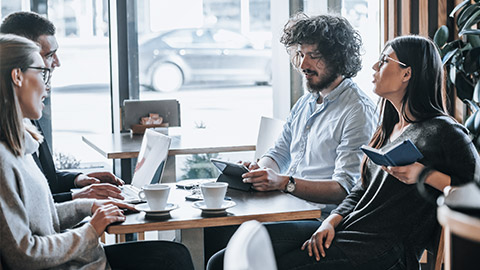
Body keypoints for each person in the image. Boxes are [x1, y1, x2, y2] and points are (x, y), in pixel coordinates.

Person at [208, 35, 480, 270]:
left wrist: (425, 175)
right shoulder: (388, 127)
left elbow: (476, 196)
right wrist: (331, 222)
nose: (375, 66)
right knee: (225, 259)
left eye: (385, 61)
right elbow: (361, 190)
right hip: (348, 229)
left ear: (407, 74)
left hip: (381, 250)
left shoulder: (444, 132)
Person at [0, 34, 194, 270]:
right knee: (172, 258)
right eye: (42, 73)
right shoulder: (4, 162)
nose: (47, 86)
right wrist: (91, 230)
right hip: (74, 264)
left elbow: (44, 220)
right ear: (17, 76)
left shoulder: (20, 148)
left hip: (78, 259)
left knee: (173, 255)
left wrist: (90, 207)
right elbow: (24, 255)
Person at [205, 13, 377, 263]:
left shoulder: (357, 110)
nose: (303, 64)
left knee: (219, 262)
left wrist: (284, 182)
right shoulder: (307, 101)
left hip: (319, 220)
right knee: (217, 228)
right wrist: (260, 170)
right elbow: (278, 153)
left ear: (338, 58)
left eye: (313, 56)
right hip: (288, 208)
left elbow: (344, 189)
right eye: (300, 54)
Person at [0, 11, 124, 202]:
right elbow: (30, 211)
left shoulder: (24, 111)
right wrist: (79, 199)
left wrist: (79, 180)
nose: (57, 63)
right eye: (48, 56)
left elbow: (45, 181)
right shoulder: (7, 137)